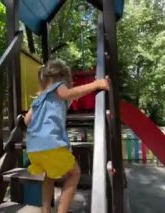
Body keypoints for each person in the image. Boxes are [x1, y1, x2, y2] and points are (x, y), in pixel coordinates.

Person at [23, 59, 110, 213]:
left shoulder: (38, 99)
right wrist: (96, 84)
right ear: (63, 77)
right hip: (51, 145)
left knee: (49, 177)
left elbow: (27, 120)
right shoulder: (59, 86)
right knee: (74, 174)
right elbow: (68, 94)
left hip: (34, 148)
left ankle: (45, 211)